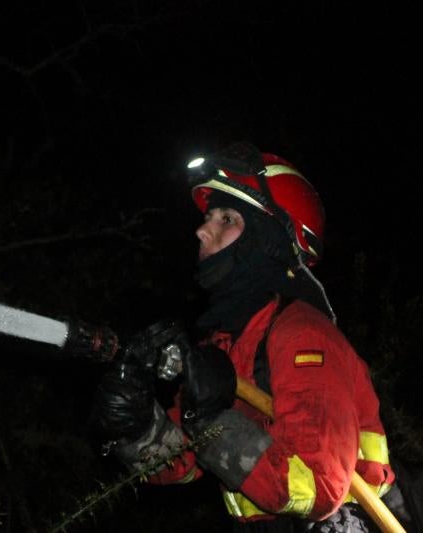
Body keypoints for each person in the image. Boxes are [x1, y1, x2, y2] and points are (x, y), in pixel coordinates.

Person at [90, 142, 414, 531]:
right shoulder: (224, 345)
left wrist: (211, 419)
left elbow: (317, 484)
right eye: (209, 216)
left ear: (265, 241)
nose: (201, 229)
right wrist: (134, 425)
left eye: (226, 218)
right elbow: (180, 465)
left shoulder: (303, 335)